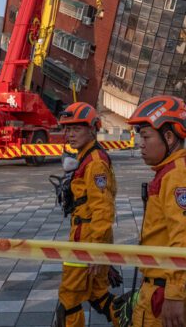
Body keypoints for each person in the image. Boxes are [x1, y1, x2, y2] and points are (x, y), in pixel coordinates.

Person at [125, 95, 186, 327]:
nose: (140, 144)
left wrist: (174, 293)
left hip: (165, 289)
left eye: (146, 136)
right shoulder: (172, 170)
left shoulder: (178, 176)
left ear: (169, 137)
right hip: (167, 285)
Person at [53, 102, 121, 327]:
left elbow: (103, 208)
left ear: (92, 128)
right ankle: (132, 321)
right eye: (68, 129)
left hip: (87, 240)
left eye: (77, 128)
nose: (70, 134)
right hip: (90, 237)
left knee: (69, 298)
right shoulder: (86, 157)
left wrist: (96, 250)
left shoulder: (95, 163)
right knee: (98, 294)